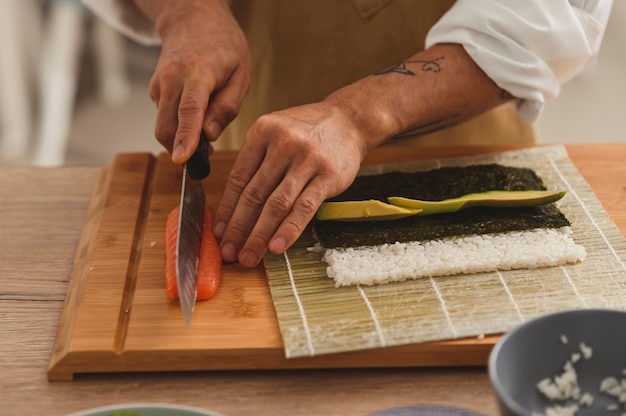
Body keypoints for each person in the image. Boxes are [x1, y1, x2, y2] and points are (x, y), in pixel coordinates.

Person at [83, 0, 613, 268]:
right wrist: (188, 11)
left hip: (469, 130)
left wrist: (357, 117)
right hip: (260, 129)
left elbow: (552, 10)